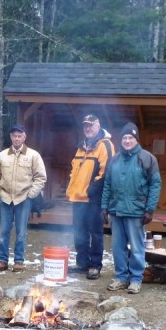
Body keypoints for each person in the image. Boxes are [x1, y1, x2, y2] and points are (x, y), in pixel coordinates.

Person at [102, 122, 162, 294]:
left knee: (136, 248)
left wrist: (149, 209)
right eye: (124, 138)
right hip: (116, 210)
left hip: (136, 211)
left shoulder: (147, 158)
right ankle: (121, 277)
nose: (127, 141)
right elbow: (107, 185)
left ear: (136, 140)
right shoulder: (115, 159)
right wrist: (104, 207)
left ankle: (136, 279)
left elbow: (155, 184)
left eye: (130, 137)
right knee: (118, 247)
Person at [0, 124, 47, 272]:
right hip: (5, 198)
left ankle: (19, 261)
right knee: (4, 231)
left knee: (21, 232)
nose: (16, 138)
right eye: (14, 136)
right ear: (10, 137)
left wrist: (31, 194)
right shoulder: (1, 156)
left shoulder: (33, 155)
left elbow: (41, 177)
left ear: (24, 137)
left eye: (19, 136)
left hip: (23, 198)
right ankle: (2, 260)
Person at [65, 114, 115, 280]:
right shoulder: (81, 146)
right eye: (85, 125)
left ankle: (95, 265)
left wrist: (89, 191)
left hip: (93, 199)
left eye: (90, 125)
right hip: (77, 198)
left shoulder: (105, 145)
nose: (87, 128)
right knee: (79, 232)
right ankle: (82, 263)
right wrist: (72, 187)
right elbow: (74, 170)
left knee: (96, 233)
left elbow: (106, 172)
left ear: (98, 125)